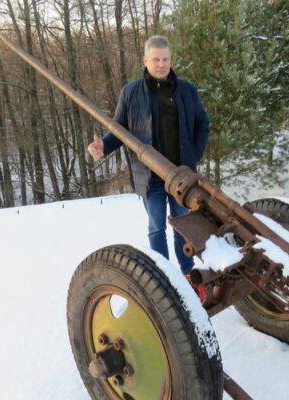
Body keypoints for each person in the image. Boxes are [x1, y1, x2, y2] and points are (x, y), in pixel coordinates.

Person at [87, 35, 209, 275]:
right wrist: (103, 147)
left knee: (183, 226)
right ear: (145, 60)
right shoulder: (131, 93)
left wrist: (194, 154)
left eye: (165, 59)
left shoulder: (186, 90)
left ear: (171, 59)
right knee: (156, 228)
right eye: (156, 59)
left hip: (181, 177)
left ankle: (187, 274)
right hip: (149, 177)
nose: (161, 64)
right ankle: (165, 276)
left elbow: (202, 123)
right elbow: (119, 131)